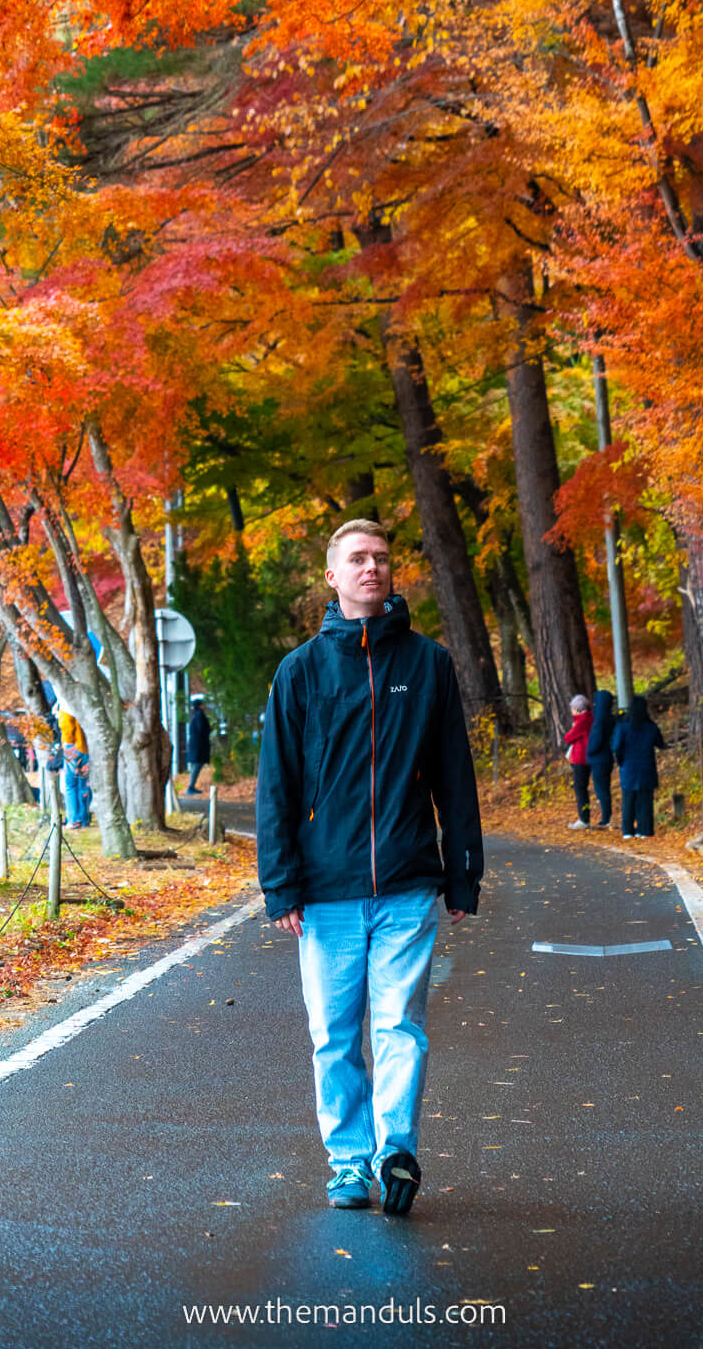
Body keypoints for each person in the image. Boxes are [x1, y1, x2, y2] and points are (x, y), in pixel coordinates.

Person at [257, 518, 483, 1217]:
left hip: (410, 886)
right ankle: (348, 1165)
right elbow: (278, 787)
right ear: (332, 575)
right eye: (357, 559)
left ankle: (394, 1153)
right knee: (333, 1034)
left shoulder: (428, 664)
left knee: (399, 1026)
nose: (371, 568)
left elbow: (454, 774)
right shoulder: (300, 671)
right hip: (324, 893)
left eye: (381, 559)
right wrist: (281, 885)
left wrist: (462, 871)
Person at [612, 694, 666, 839]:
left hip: (629, 767)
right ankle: (645, 829)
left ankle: (628, 830)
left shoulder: (623, 727)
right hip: (646, 766)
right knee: (645, 800)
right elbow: (660, 743)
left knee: (628, 799)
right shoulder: (651, 727)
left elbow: (616, 747)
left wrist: (620, 761)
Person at [586, 688, 616, 829]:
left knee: (601, 789)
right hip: (607, 757)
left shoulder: (599, 720)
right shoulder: (611, 718)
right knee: (605, 788)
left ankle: (606, 818)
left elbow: (595, 741)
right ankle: (606, 816)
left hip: (598, 759)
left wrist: (589, 752)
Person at [563, 694, 593, 829]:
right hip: (587, 757)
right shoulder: (591, 718)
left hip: (581, 758)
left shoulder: (582, 721)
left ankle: (584, 818)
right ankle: (584, 817)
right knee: (582, 787)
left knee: (580, 788)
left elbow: (568, 737)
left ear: (577, 708)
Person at [185, 695, 211, 794]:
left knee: (195, 765)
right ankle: (191, 787)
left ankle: (191, 786)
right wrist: (208, 729)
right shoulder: (200, 715)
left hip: (195, 744)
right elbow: (202, 729)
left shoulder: (194, 715)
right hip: (199, 744)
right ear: (200, 705)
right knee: (197, 764)